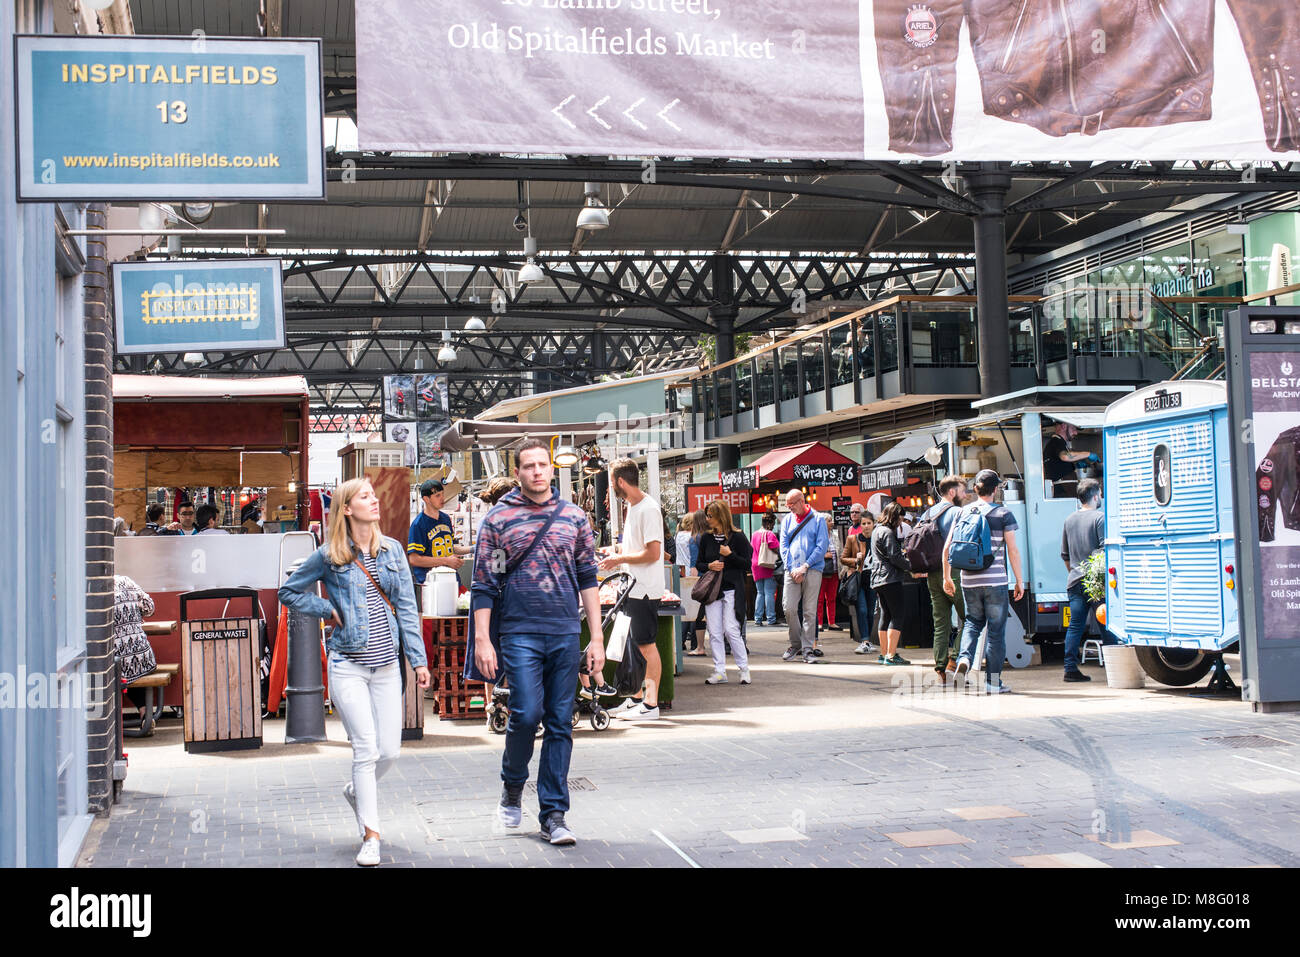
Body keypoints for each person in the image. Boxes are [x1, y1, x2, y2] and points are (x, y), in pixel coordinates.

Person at [278, 477, 431, 867]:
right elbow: (289, 591)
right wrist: (325, 611)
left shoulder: (394, 551)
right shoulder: (330, 555)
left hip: (386, 668)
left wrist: (418, 660)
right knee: (365, 749)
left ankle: (355, 793)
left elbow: (408, 612)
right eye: (365, 496)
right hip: (348, 664)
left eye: (373, 495)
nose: (374, 501)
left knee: (390, 751)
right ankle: (371, 836)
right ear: (346, 508)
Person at [472, 439, 603, 846]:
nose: (537, 472)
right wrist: (482, 640)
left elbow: (588, 578)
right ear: (518, 473)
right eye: (528, 466)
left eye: (542, 465)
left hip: (564, 631)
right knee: (527, 714)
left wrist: (596, 637)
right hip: (519, 632)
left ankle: (554, 814)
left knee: (561, 722)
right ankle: (513, 786)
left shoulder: (574, 517)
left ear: (550, 468)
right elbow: (485, 582)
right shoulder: (499, 520)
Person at [943, 469, 1025, 694]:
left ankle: (965, 661)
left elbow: (948, 548)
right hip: (995, 581)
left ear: (976, 489)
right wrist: (1019, 581)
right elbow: (1013, 551)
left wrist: (947, 577)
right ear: (996, 489)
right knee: (996, 632)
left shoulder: (963, 512)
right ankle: (993, 682)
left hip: (969, 580)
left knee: (972, 623)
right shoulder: (1003, 514)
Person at [599, 458, 666, 721]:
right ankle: (636, 698)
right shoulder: (634, 506)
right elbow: (640, 548)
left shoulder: (648, 509)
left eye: (612, 483)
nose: (611, 489)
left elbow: (653, 553)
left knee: (646, 644)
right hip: (631, 587)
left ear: (620, 482)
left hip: (644, 589)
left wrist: (619, 559)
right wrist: (616, 552)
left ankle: (651, 704)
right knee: (632, 646)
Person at [695, 499, 754, 685]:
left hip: (732, 589)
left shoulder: (738, 537)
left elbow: (747, 564)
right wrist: (709, 565)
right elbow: (699, 563)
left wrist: (730, 555)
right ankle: (719, 670)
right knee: (714, 631)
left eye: (710, 516)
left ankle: (744, 668)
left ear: (720, 516)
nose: (707, 519)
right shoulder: (706, 538)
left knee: (731, 629)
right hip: (713, 591)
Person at [920, 476, 968, 682]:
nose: (965, 495)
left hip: (932, 572)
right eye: (963, 491)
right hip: (954, 571)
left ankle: (940, 666)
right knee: (970, 618)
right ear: (952, 492)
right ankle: (954, 658)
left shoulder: (927, 513)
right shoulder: (958, 512)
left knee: (941, 623)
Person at [1061, 478, 1109, 683]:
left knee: (1075, 626)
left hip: (1074, 580)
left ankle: (1070, 668)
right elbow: (1103, 551)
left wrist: (1075, 571)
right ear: (1096, 495)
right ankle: (1115, 666)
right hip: (1095, 582)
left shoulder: (1069, 519)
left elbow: (1065, 555)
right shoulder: (1100, 518)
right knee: (1107, 624)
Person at [779, 488, 829, 664]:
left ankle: (807, 649)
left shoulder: (818, 519)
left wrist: (805, 566)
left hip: (813, 569)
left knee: (809, 611)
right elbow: (783, 546)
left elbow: (822, 546)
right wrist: (793, 568)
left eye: (792, 504)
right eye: (788, 504)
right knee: (789, 607)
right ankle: (795, 644)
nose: (789, 507)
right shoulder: (787, 521)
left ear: (801, 501)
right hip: (791, 570)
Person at [407, 478, 472, 587]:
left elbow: (451, 547)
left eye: (442, 494)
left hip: (452, 579)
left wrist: (474, 549)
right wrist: (446, 561)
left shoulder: (446, 518)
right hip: (432, 584)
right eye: (437, 496)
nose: (442, 498)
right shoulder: (418, 525)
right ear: (426, 499)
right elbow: (414, 559)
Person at [870, 503, 913, 666]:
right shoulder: (887, 532)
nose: (901, 522)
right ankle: (891, 654)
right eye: (900, 518)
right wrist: (911, 566)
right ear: (895, 516)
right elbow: (895, 557)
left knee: (885, 614)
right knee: (897, 614)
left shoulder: (876, 530)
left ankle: (884, 653)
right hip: (890, 578)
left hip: (878, 579)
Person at [841, 509, 877, 654]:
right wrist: (856, 559)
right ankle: (865, 641)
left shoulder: (877, 539)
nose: (867, 526)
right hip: (858, 580)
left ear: (874, 524)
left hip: (874, 580)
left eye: (869, 523)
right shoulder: (853, 539)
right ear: (860, 525)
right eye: (864, 523)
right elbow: (843, 558)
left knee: (870, 612)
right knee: (861, 610)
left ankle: (867, 641)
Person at [1043, 421, 1096, 495]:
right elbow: (1065, 456)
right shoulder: (1056, 442)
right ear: (1064, 426)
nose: (1076, 433)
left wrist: (1075, 464)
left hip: (1063, 492)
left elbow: (1060, 466)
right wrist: (1088, 454)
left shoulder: (1057, 444)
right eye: (1074, 428)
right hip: (1063, 494)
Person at [750, 511, 779, 627]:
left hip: (756, 565)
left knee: (760, 592)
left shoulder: (754, 534)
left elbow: (751, 549)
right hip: (767, 565)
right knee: (769, 593)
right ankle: (771, 618)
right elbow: (776, 548)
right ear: (770, 523)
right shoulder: (770, 534)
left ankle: (758, 618)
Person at [816, 515, 841, 636]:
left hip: (835, 571)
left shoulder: (835, 537)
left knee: (832, 598)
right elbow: (812, 553)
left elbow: (840, 552)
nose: (832, 522)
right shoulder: (817, 536)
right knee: (819, 599)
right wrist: (823, 555)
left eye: (832, 520)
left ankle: (832, 622)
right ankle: (819, 623)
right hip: (821, 572)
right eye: (829, 520)